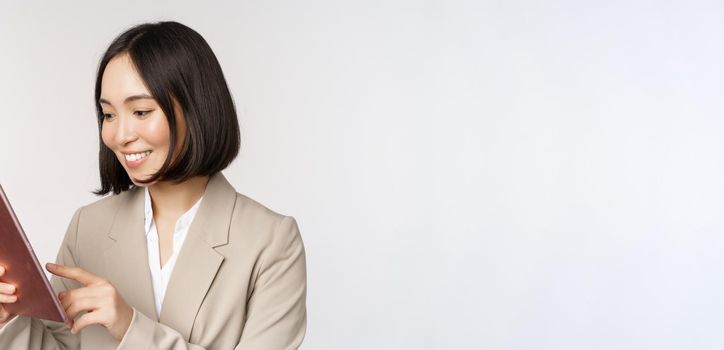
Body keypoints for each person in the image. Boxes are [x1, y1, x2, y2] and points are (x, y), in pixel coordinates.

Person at [0, 21, 307, 349]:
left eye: (141, 111)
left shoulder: (272, 242)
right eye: (108, 115)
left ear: (195, 108)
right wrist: (9, 320)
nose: (120, 136)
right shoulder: (87, 227)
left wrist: (129, 326)